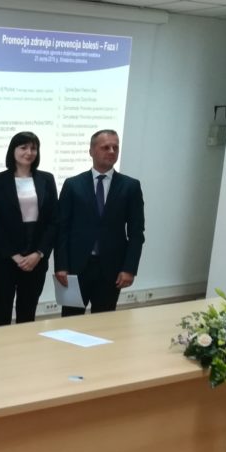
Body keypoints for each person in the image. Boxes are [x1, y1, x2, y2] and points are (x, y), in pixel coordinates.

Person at [55, 129, 145, 316]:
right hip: (75, 268)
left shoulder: (130, 186)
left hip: (111, 269)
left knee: (104, 322)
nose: (111, 151)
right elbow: (62, 229)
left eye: (115, 147)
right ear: (91, 151)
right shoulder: (73, 184)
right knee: (70, 320)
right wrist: (61, 265)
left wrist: (129, 269)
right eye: (105, 147)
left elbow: (136, 233)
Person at [0, 131, 58, 325]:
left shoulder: (47, 179)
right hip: (5, 259)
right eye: (23, 147)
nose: (29, 152)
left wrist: (39, 253)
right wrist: (14, 255)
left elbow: (53, 220)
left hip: (36, 259)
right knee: (1, 313)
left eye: (33, 148)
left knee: (27, 314)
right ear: (13, 150)